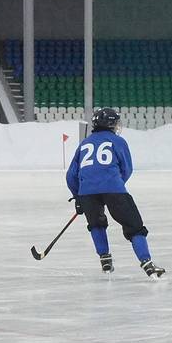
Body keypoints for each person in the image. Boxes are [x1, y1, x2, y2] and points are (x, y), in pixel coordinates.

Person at [66, 107, 165, 277]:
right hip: (114, 189)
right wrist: (115, 184)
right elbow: (127, 169)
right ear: (111, 124)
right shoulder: (118, 141)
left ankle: (105, 261)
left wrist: (78, 196)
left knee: (96, 224)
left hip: (87, 192)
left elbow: (71, 175)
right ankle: (147, 263)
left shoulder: (84, 143)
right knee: (134, 227)